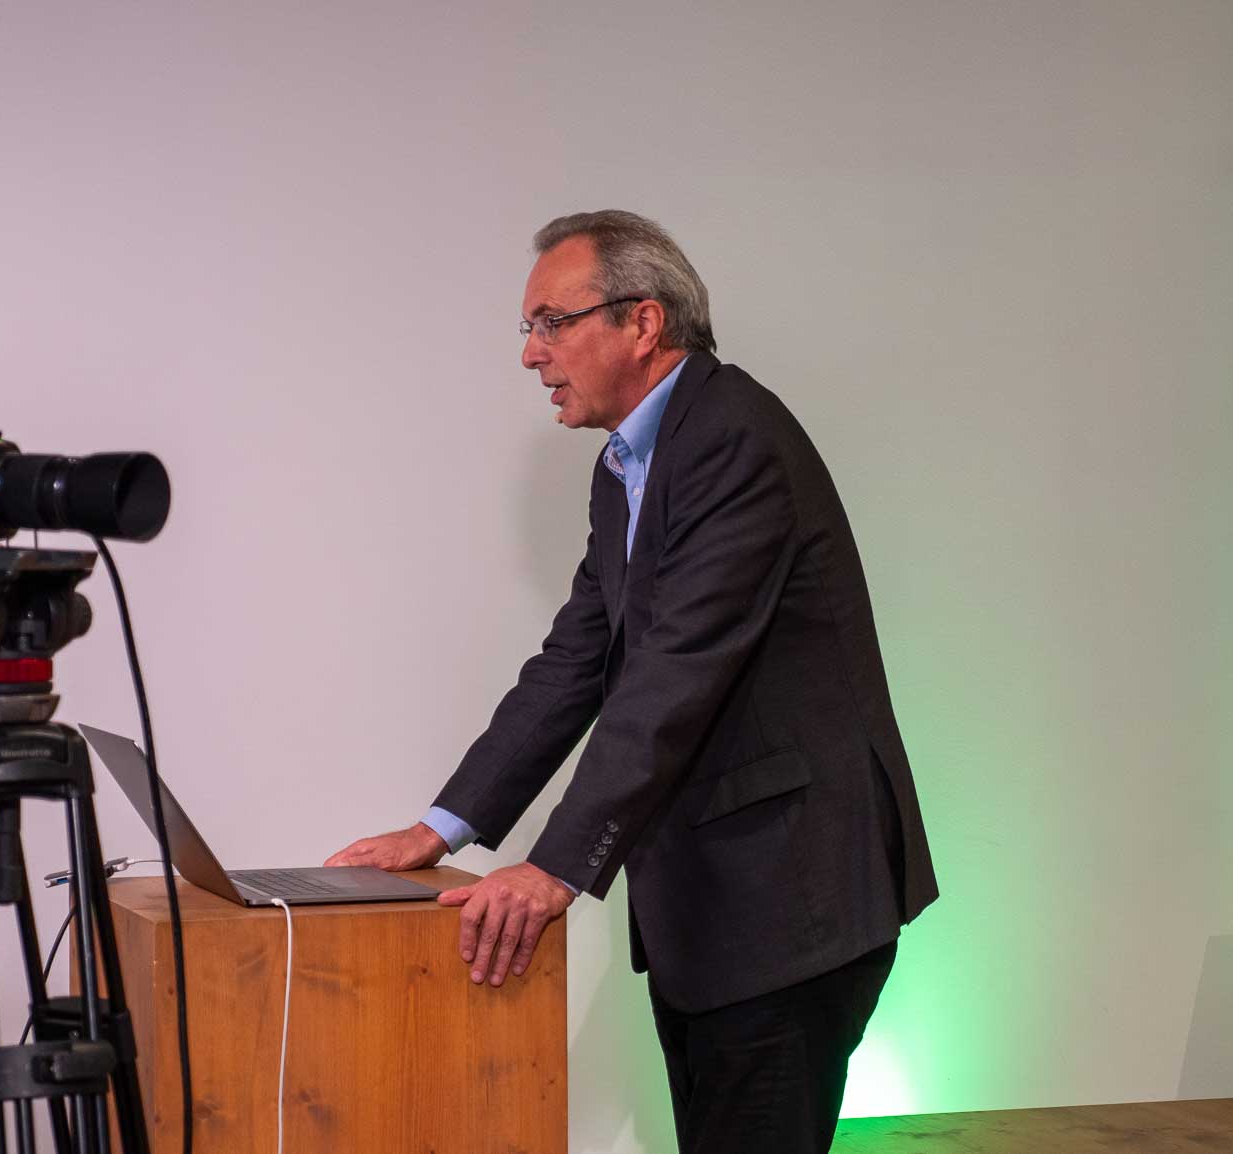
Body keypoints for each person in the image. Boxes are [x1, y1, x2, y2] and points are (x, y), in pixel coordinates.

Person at [326, 210, 936, 1153]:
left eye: (552, 322)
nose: (532, 353)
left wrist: (553, 868)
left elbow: (674, 673)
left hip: (790, 903)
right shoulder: (626, 467)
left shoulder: (734, 439)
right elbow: (575, 661)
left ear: (643, 322)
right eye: (529, 327)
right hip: (717, 910)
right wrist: (441, 827)